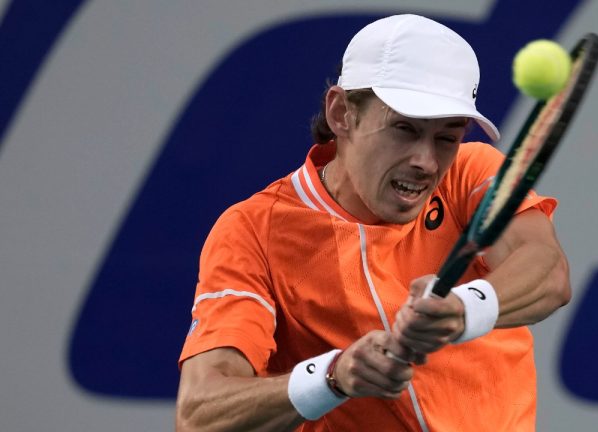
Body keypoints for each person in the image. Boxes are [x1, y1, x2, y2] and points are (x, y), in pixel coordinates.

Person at [176, 14, 570, 431]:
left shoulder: (471, 172)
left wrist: (461, 308)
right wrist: (333, 377)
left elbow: (548, 271)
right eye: (404, 129)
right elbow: (199, 415)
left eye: (446, 137)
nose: (426, 162)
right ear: (341, 112)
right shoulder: (254, 230)